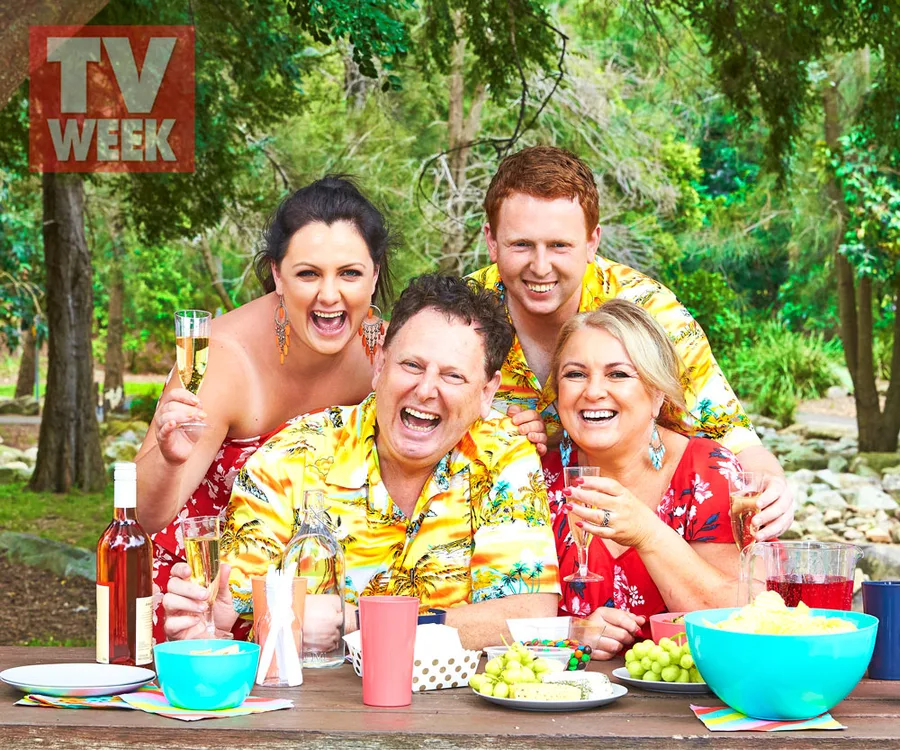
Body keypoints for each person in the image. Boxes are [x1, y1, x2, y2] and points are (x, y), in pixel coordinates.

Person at [161, 274, 561, 650]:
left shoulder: (503, 454)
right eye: (411, 365)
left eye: (453, 376)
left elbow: (528, 615)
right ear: (380, 365)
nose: (426, 390)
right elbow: (231, 610)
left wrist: (354, 622)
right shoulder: (293, 455)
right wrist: (208, 625)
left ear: (487, 392)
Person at [468, 145, 793, 541]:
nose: (540, 266)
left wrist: (773, 486)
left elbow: (731, 432)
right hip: (497, 528)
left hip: (642, 522)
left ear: (592, 242)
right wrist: (489, 433)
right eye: (521, 244)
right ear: (491, 241)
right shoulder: (459, 317)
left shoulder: (650, 311)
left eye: (559, 246)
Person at [135, 177, 394, 644]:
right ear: (277, 275)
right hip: (205, 604)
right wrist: (170, 460)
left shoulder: (391, 353)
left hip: (325, 617)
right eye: (308, 274)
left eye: (350, 274)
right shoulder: (222, 357)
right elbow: (144, 517)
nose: (329, 295)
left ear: (374, 275)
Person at [550, 300, 742, 657]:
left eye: (618, 374)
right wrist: (570, 634)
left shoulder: (707, 472)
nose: (593, 391)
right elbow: (509, 618)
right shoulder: (534, 478)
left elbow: (740, 619)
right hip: (569, 689)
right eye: (575, 374)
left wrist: (647, 533)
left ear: (656, 395)